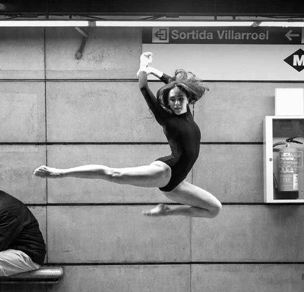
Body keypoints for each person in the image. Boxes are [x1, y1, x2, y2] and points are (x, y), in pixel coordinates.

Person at [33, 52, 222, 218]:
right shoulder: (167, 119)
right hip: (166, 172)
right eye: (172, 100)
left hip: (177, 184)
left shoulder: (187, 113)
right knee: (114, 174)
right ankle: (60, 172)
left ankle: (167, 211)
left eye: (180, 99)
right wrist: (143, 67)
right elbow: (144, 88)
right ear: (168, 103)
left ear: (188, 99)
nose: (177, 103)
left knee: (214, 209)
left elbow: (173, 84)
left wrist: (154, 70)